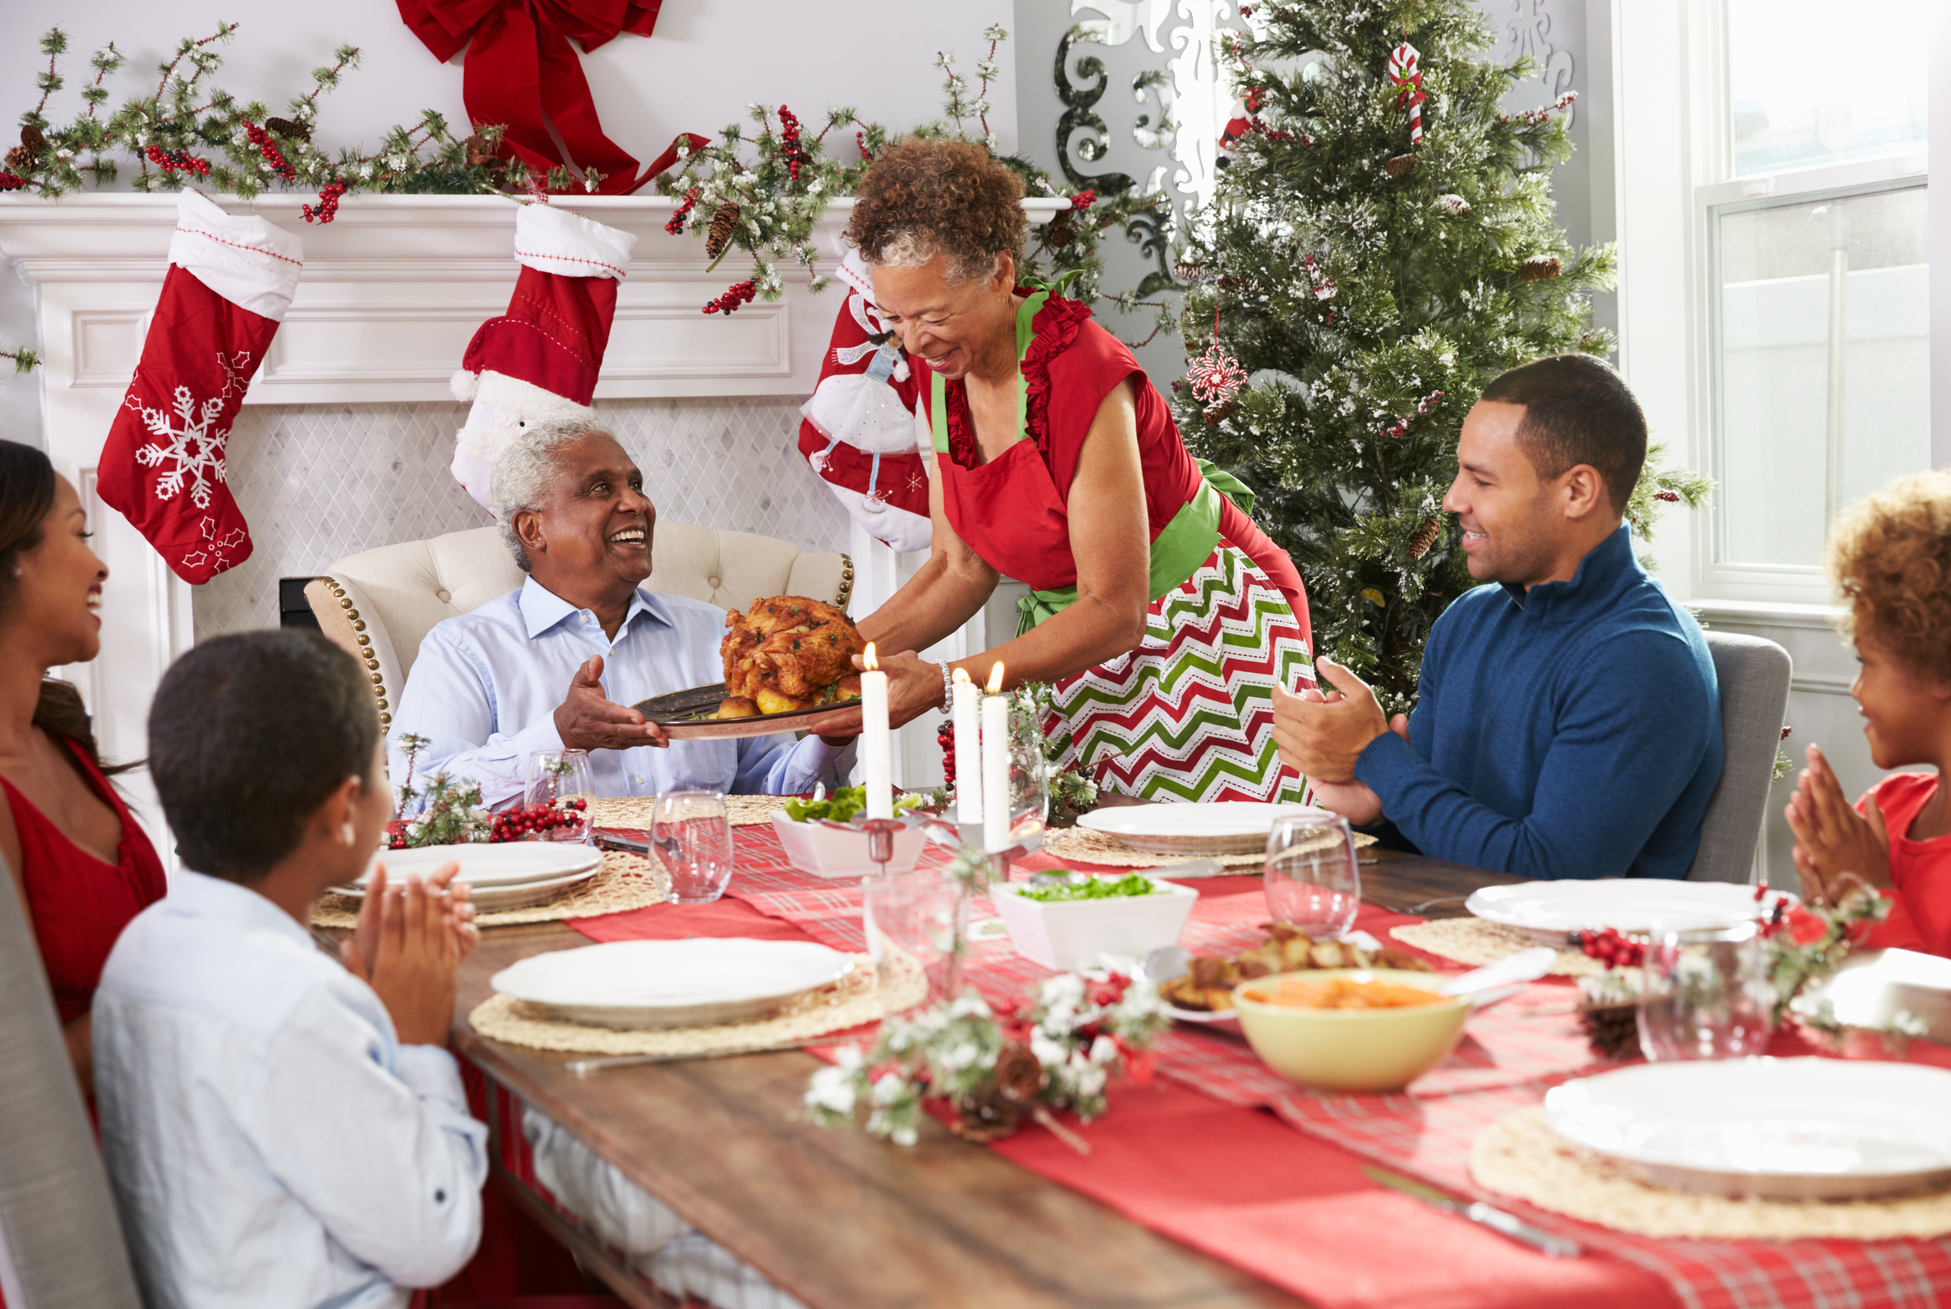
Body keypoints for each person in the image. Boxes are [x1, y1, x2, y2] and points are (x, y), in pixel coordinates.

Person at [93, 630, 644, 1309]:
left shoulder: (143, 946)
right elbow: (436, 1237)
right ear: (343, 808)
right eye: (382, 768)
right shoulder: (296, 998)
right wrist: (415, 1043)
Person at [812, 138, 1316, 803]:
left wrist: (943, 681)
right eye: (896, 318)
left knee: (1201, 875)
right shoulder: (942, 376)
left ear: (998, 272)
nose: (913, 342)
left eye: (933, 315)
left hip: (1198, 627)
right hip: (1083, 634)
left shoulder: (1081, 372)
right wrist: (821, 660)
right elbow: (958, 569)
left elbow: (1114, 609)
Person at [1272, 355, 1724, 879]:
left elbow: (1549, 877)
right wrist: (1378, 805)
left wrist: (1379, 756)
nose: (1451, 500)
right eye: (1460, 473)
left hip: (1561, 953)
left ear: (1576, 492)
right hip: (1432, 930)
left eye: (1482, 482)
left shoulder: (1642, 656)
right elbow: (1446, 842)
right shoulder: (1468, 621)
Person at [394, 419, 854, 806]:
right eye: (600, 489)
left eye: (636, 485)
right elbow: (420, 803)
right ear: (533, 528)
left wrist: (832, 739)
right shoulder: (463, 649)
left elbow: (769, 793)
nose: (637, 503)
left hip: (701, 884)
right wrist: (559, 735)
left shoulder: (715, 634)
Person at [1785, 458, 1951, 970]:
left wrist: (1867, 900)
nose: (1856, 688)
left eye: (1867, 661)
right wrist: (1824, 918)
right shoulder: (1885, 812)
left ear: (1943, 664)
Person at [0, 439, 166, 1100]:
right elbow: (14, 1080)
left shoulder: (60, 737)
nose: (100, 564)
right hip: (81, 1188)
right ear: (14, 560)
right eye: (79, 533)